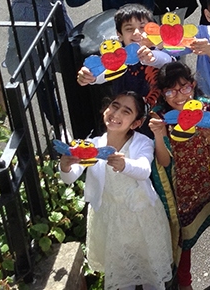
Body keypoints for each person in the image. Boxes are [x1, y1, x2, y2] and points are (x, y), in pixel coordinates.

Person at [59, 92, 173, 290]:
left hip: (142, 216)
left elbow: (144, 170)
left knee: (150, 274)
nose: (116, 113)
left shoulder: (141, 142)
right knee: (121, 274)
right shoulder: (93, 144)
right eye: (114, 105)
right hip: (110, 219)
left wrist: (124, 164)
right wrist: (66, 166)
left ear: (136, 123)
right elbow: (70, 177)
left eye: (126, 111)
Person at [147, 62, 210, 290]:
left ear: (192, 85)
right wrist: (160, 134)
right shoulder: (161, 116)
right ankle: (185, 283)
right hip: (182, 187)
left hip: (208, 178)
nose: (178, 96)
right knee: (185, 240)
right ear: (163, 94)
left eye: (183, 88)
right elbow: (163, 162)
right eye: (170, 91)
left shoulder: (208, 108)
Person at [75, 4, 172, 137]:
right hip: (126, 122)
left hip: (158, 120)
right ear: (119, 35)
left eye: (143, 27)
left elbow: (167, 61)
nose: (137, 33)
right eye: (129, 29)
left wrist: (151, 57)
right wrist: (91, 77)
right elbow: (104, 72)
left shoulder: (158, 51)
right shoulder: (117, 57)